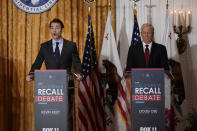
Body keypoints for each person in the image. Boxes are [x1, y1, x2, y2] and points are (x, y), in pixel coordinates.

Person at [26, 18, 82, 131]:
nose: (54, 30)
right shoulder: (44, 46)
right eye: (52, 28)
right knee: (50, 116)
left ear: (62, 30)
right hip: (49, 87)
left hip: (66, 86)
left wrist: (79, 73)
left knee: (66, 116)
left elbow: (77, 63)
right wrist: (31, 74)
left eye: (57, 28)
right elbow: (37, 63)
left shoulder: (71, 46)